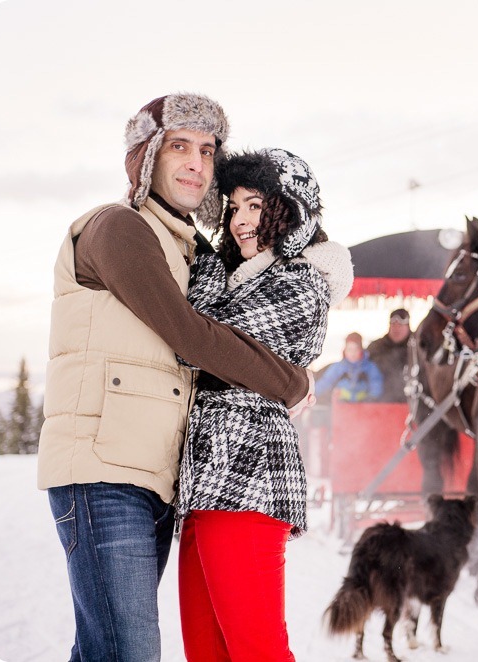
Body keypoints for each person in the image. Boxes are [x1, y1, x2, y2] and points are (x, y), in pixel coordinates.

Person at [37, 93, 314, 662]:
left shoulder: (189, 251)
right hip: (102, 472)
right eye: (179, 146)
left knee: (106, 649)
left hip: (157, 478)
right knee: (128, 652)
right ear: (146, 157)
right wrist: (292, 383)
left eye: (208, 150)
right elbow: (190, 335)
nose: (197, 162)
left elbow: (272, 271)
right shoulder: (118, 228)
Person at [176, 147, 353, 660]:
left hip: (248, 478)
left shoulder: (303, 284)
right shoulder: (243, 277)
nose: (240, 221)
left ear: (290, 208)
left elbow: (203, 340)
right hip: (204, 485)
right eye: (232, 208)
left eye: (254, 205)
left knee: (257, 651)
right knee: (206, 652)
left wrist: (204, 260)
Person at [316, 332, 384, 402]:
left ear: (361, 350)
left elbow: (376, 383)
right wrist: (314, 393)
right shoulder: (338, 367)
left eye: (356, 349)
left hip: (363, 405)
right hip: (341, 405)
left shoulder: (370, 367)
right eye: (349, 349)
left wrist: (372, 396)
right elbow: (326, 381)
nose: (353, 353)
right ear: (345, 350)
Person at [366, 307, 412, 402]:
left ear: (408, 327)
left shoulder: (417, 348)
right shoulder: (376, 347)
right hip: (379, 401)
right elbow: (360, 365)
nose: (396, 329)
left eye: (400, 325)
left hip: (410, 402)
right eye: (393, 325)